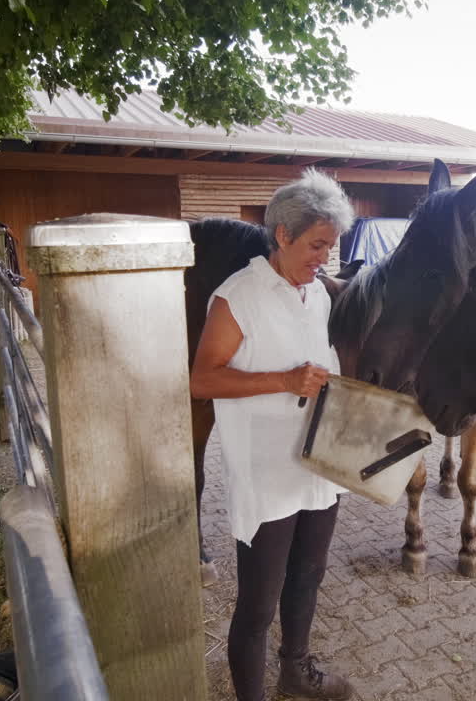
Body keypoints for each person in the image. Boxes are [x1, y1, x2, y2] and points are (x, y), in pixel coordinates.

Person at [189, 169, 355, 701]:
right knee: (258, 606)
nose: (323, 258)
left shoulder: (319, 295)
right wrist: (284, 381)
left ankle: (295, 671)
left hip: (318, 465)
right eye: (316, 245)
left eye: (330, 247)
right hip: (266, 474)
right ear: (283, 235)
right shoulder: (237, 296)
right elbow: (201, 380)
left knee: (308, 576)